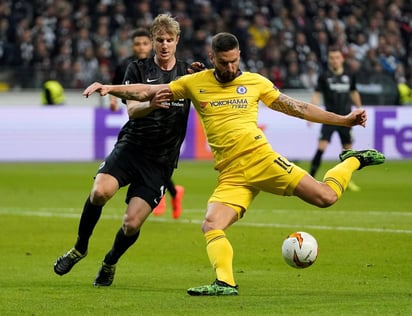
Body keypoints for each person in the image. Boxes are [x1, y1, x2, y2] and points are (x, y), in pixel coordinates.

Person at [82, 32, 385, 295]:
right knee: (212, 224)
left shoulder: (255, 83)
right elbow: (147, 91)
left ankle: (353, 160)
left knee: (326, 197)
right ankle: (225, 283)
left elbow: (299, 108)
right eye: (223, 62)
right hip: (231, 174)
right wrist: (111, 88)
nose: (230, 68)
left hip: (261, 159)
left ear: (239, 55)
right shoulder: (194, 82)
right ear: (211, 57)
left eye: (234, 61)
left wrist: (344, 119)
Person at [54, 14, 201, 287]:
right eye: (160, 40)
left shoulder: (189, 74)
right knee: (99, 192)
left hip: (161, 161)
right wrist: (152, 104)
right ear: (153, 41)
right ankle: (79, 248)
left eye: (170, 40)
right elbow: (133, 110)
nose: (164, 45)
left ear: (177, 41)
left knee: (131, 224)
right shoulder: (137, 68)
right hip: (132, 147)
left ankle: (110, 262)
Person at [109, 26, 185, 218]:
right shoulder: (129, 66)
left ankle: (166, 194)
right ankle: (167, 193)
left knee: (157, 161)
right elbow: (116, 87)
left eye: (144, 43)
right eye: (137, 44)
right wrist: (112, 99)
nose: (141, 48)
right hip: (140, 119)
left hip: (163, 126)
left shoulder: (167, 68)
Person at [308, 46, 363, 192]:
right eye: (332, 58)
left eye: (337, 57)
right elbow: (317, 94)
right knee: (321, 148)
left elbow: (354, 92)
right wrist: (309, 113)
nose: (335, 60)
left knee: (348, 151)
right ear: (329, 60)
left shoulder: (349, 75)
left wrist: (360, 108)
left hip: (346, 119)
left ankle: (347, 180)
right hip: (329, 118)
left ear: (342, 59)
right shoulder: (324, 76)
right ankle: (310, 179)